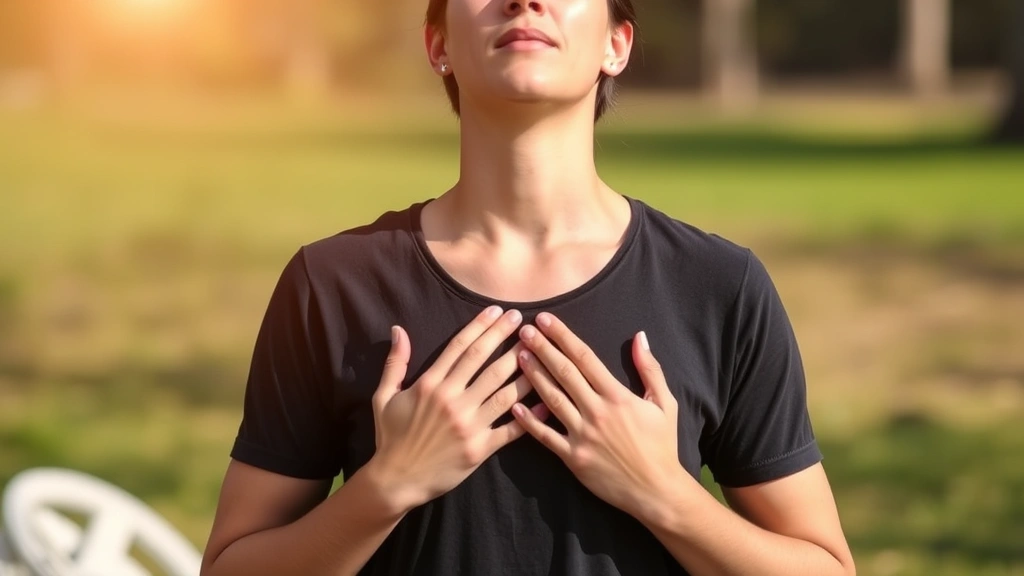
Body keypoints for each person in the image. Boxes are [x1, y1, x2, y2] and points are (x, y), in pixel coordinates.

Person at [201, 0, 856, 574]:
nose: (523, 1)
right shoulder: (333, 285)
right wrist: (388, 486)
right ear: (439, 45)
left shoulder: (720, 287)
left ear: (616, 44)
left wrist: (665, 493)